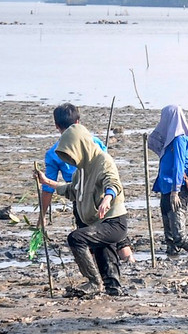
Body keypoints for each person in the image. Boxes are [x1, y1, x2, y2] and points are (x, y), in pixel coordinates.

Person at [34, 124, 129, 298]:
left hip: (114, 222)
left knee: (76, 238)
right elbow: (72, 190)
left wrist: (107, 199)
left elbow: (113, 183)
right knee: (107, 268)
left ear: (82, 146)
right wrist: (47, 182)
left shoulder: (103, 161)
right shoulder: (81, 170)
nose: (70, 158)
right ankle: (114, 293)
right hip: (98, 222)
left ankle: (94, 283)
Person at [40, 103, 134, 263]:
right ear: (78, 122)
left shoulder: (55, 153)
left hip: (85, 202)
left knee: (89, 241)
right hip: (101, 196)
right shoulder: (94, 142)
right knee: (116, 240)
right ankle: (129, 265)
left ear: (57, 126)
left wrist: (42, 215)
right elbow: (108, 172)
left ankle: (97, 275)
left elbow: (48, 189)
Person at [148, 104, 188, 261]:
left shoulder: (179, 139)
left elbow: (179, 165)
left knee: (178, 234)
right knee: (170, 237)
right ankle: (173, 259)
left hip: (177, 189)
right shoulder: (169, 140)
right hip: (166, 187)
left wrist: (175, 191)